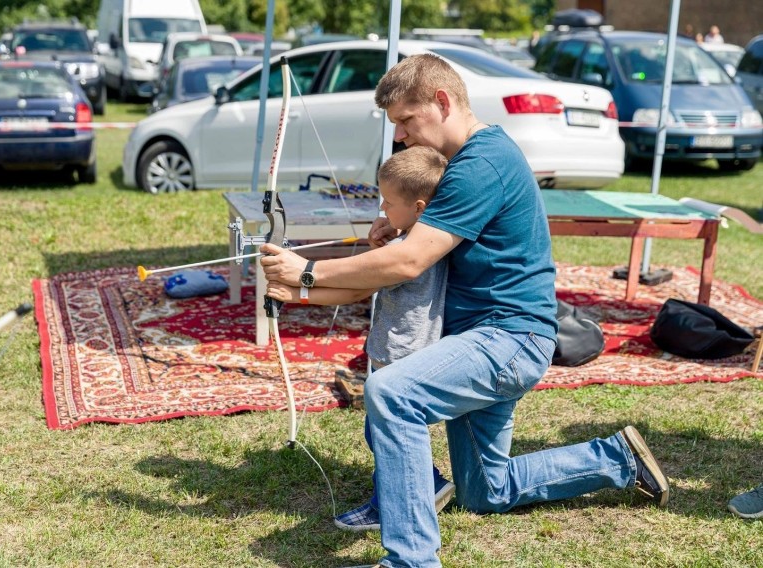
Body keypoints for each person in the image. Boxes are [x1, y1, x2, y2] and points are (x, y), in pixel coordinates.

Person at [261, 54, 671, 568]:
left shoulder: (482, 162)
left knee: (390, 395)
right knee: (486, 491)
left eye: (406, 121)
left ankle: (411, 561)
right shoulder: (466, 164)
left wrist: (305, 273)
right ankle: (614, 459)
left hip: (507, 340)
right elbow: (410, 249)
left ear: (441, 101)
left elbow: (409, 263)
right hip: (481, 341)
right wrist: (389, 232)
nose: (403, 137)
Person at [266, 145, 455, 532]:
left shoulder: (407, 253)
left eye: (387, 203)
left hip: (403, 353)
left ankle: (402, 497)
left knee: (386, 433)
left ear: (420, 208)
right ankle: (426, 485)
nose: (382, 211)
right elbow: (359, 289)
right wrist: (295, 294)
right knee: (382, 430)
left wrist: (302, 282)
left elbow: (354, 290)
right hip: (401, 349)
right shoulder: (413, 244)